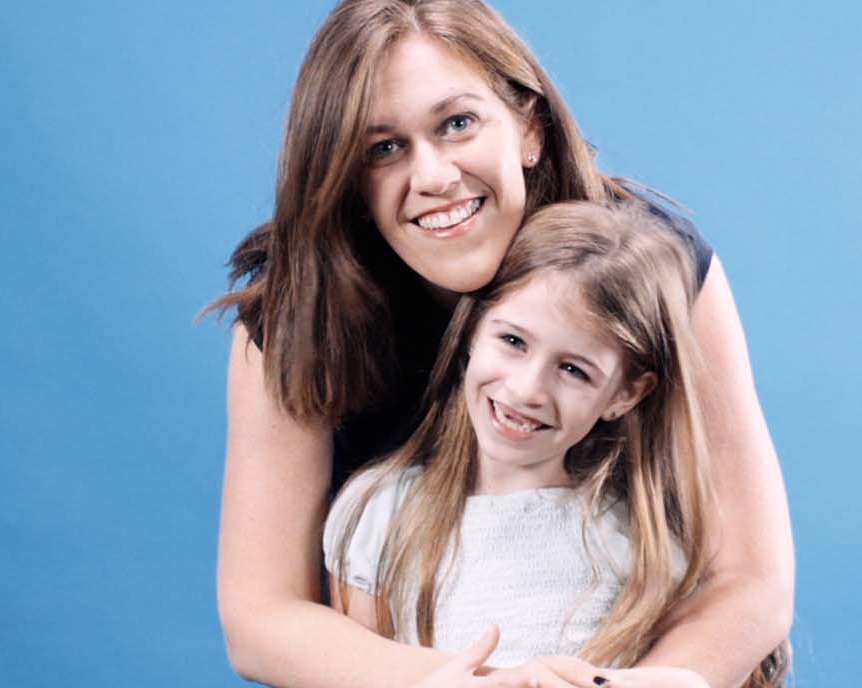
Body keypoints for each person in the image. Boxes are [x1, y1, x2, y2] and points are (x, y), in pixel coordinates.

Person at [210, 0, 793, 686]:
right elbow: (261, 617)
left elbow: (754, 581)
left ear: (528, 127)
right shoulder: (296, 315)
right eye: (384, 148)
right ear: (344, 178)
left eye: (457, 123)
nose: (433, 176)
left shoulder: (654, 268)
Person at [322, 201, 778, 688]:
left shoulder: (645, 545)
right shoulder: (377, 513)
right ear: (474, 328)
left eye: (573, 370)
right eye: (514, 342)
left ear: (626, 394)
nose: (525, 391)